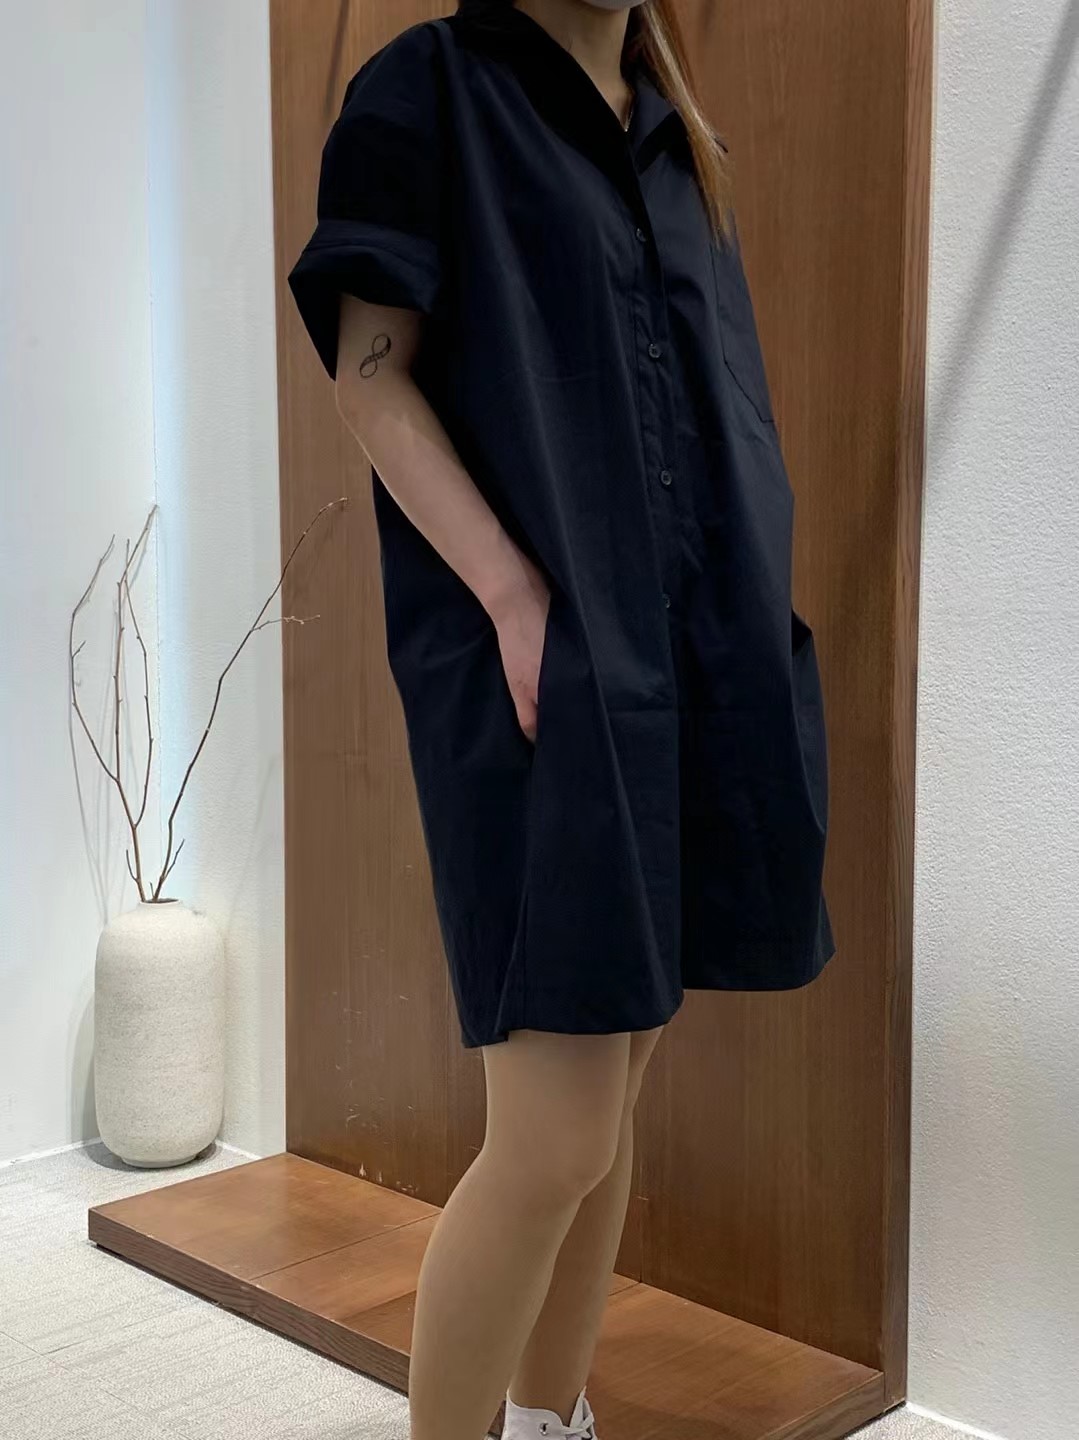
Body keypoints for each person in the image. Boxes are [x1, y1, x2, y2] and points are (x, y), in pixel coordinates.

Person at [287, 1, 837, 1436]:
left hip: (691, 666)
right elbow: (369, 376)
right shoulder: (428, 91)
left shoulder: (675, 137)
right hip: (543, 675)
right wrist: (511, 592)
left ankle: (549, 1421)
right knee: (551, 1136)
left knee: (607, 1108)